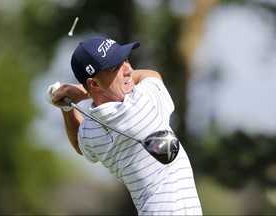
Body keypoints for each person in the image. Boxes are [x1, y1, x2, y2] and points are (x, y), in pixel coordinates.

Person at [46, 36, 202, 215]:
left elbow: (78, 144)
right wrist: (80, 92)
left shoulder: (90, 132)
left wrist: (66, 107)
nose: (128, 70)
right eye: (116, 68)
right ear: (94, 83)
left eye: (125, 60)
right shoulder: (144, 103)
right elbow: (152, 75)